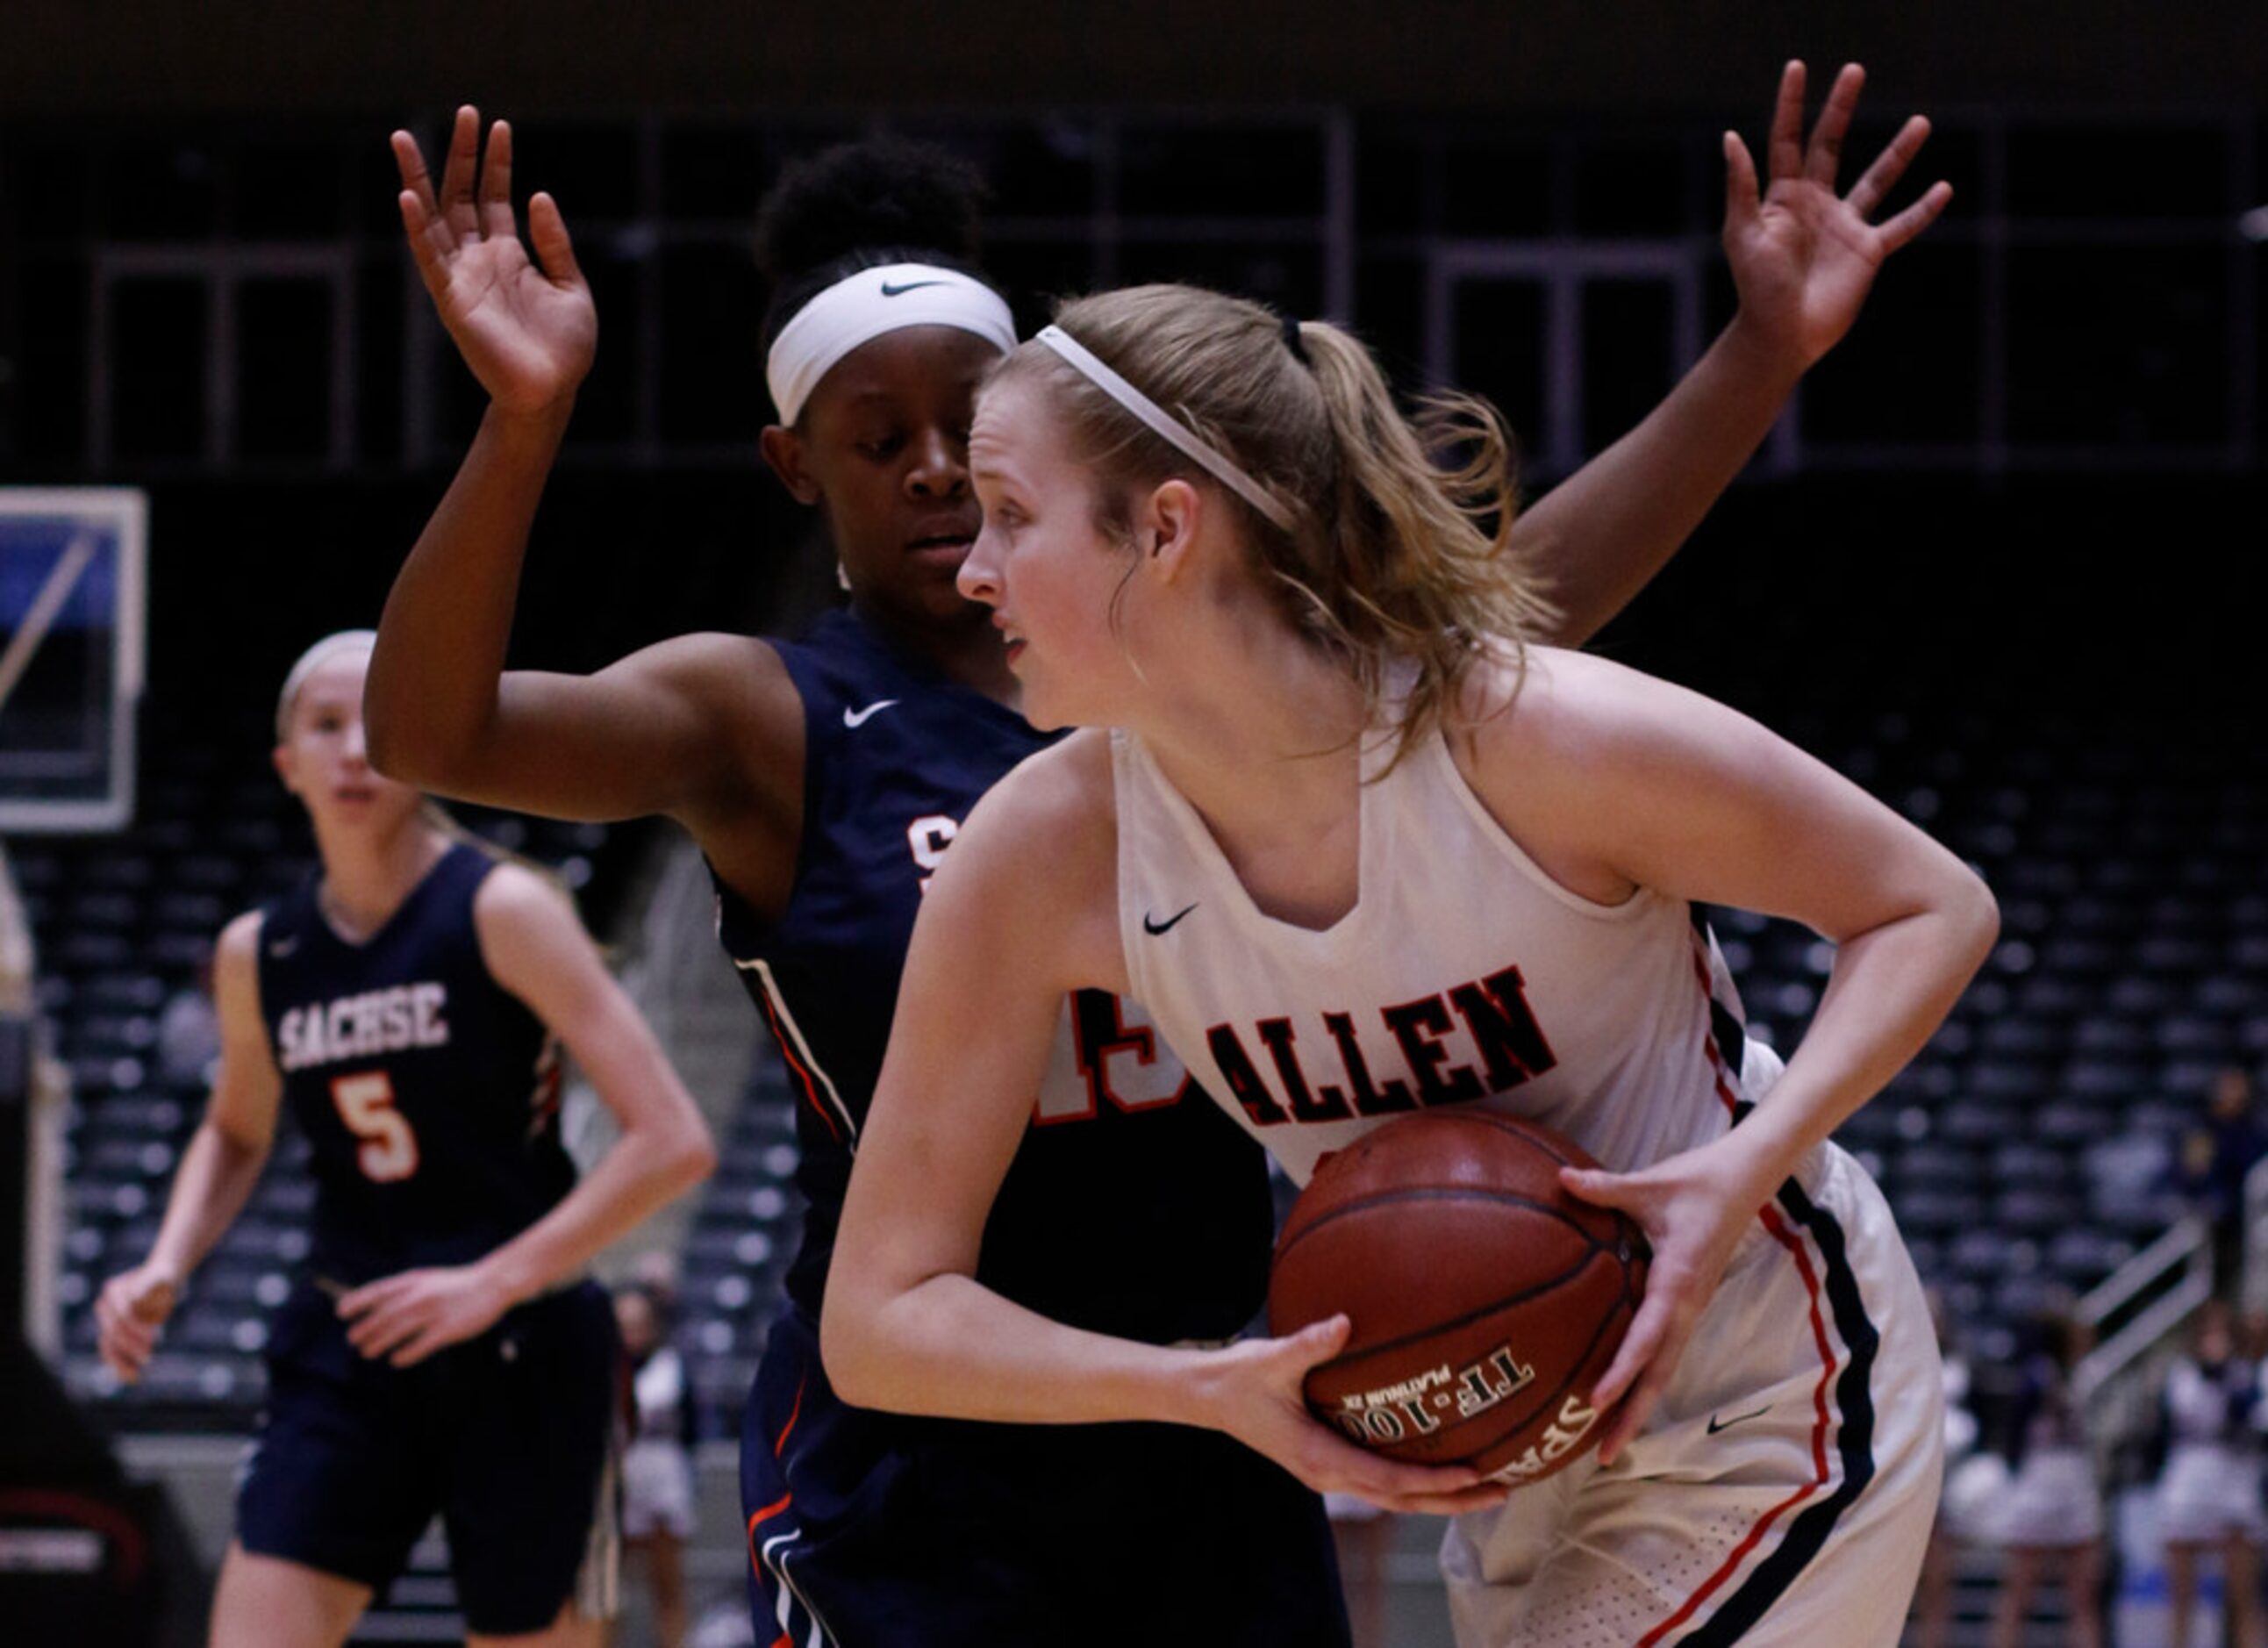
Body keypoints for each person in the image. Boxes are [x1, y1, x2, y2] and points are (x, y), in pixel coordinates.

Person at [369, 62, 1953, 1644]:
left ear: (1157, 519)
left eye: (987, 469)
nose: (944, 494)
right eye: (886, 444)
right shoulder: (900, 769)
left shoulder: (1391, 704)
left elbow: (1506, 621)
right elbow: (437, 739)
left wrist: (1760, 356)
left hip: (1370, 1373)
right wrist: (521, 426)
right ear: (797, 466)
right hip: (1019, 1415)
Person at [818, 247, 1998, 1642]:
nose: (972, 569)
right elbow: (878, 1313)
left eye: (1013, 515)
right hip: (1500, 1439)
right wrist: (1201, 1383)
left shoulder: (1524, 736)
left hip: (1762, 1375)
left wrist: (1742, 1166)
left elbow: (1926, 903)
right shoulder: (1038, 854)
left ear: (1166, 530)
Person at [93, 633, 717, 1648]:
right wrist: (165, 1262)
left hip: (525, 1347)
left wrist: (492, 1282)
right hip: (355, 1340)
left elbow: (673, 1141)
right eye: (323, 727)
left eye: (374, 726)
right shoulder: (260, 951)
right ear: (285, 762)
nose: (350, 751)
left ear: (417, 751)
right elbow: (234, 1130)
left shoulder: (501, 909)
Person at [1985, 1310, 2104, 1648]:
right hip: (2039, 1480)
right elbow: (2013, 1435)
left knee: (2083, 1597)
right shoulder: (2036, 1378)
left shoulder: (2088, 1374)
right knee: (2019, 1591)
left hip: (2076, 1481)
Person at [2157, 1299, 2264, 1648]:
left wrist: (2227, 1370)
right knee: (2182, 1601)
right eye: (2208, 1328)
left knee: (2244, 1598)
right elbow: (2174, 1419)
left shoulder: (2245, 1373)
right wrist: (2210, 1370)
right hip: (2188, 1483)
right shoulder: (2180, 1373)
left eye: (2222, 1328)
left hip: (2233, 1482)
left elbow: (2245, 1415)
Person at [617, 1280, 697, 1648]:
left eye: (638, 1323)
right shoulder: (607, 1370)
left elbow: (691, 1432)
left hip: (665, 1477)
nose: (632, 1332)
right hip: (620, 1475)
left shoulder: (672, 1364)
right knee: (611, 1591)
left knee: (667, 1584)